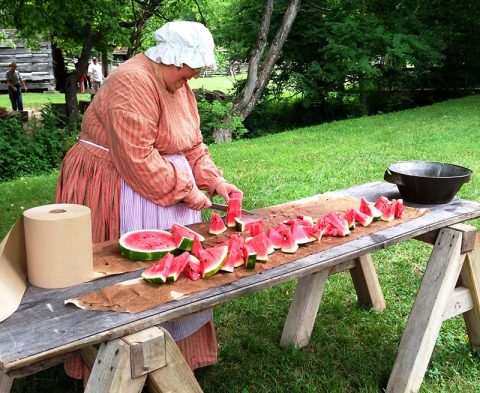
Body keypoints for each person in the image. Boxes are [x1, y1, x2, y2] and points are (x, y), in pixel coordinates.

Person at [56, 21, 242, 385]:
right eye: (193, 68)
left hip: (162, 183)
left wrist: (214, 180)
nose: (194, 77)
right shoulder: (132, 82)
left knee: (175, 267)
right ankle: (117, 359)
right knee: (125, 276)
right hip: (117, 179)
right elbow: (138, 160)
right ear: (173, 59)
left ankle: (173, 354)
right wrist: (188, 191)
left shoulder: (178, 84)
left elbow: (191, 145)